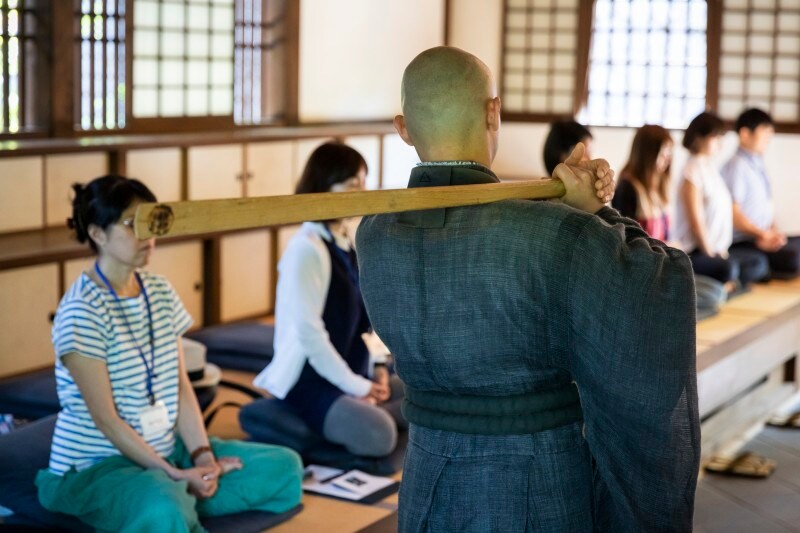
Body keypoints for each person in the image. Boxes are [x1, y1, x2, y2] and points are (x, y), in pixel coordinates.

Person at [357, 46, 699, 531]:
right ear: (493, 112)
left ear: (403, 128)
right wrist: (596, 213)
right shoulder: (550, 232)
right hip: (536, 478)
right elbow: (654, 288)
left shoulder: (373, 233)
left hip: (425, 477)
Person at [37, 175, 302, 533]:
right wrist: (173, 475)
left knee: (284, 466)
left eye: (151, 221)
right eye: (132, 224)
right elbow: (106, 420)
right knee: (163, 504)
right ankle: (175, 501)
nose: (147, 235)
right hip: (100, 466)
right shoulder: (81, 311)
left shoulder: (159, 291)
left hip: (169, 451)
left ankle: (182, 500)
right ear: (98, 234)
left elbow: (181, 388)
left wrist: (203, 458)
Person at [253, 142, 406, 458]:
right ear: (323, 187)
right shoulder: (306, 250)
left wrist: (378, 368)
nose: (362, 191)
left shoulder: (347, 242)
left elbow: (369, 320)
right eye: (352, 184)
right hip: (311, 381)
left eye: (363, 182)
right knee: (380, 434)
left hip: (352, 370)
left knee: (419, 390)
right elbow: (310, 336)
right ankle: (363, 412)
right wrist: (358, 388)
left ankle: (365, 409)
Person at [614, 124, 726, 316]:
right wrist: (667, 246)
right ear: (647, 153)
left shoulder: (657, 187)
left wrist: (672, 246)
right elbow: (628, 244)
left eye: (669, 153)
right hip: (645, 272)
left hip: (664, 266)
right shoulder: (628, 188)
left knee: (717, 292)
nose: (667, 159)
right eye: (663, 153)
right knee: (712, 295)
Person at [673, 111, 769, 289]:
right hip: (697, 251)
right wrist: (710, 253)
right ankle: (724, 284)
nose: (720, 143)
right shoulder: (691, 170)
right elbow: (696, 222)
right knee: (729, 269)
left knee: (757, 263)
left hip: (719, 250)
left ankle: (725, 285)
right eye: (716, 137)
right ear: (699, 138)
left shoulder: (710, 167)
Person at [722, 108, 800, 277]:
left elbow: (767, 205)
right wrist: (763, 235)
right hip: (745, 239)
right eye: (764, 132)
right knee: (793, 258)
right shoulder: (736, 165)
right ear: (745, 134)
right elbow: (734, 213)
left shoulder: (757, 163)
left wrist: (774, 233)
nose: (768, 138)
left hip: (762, 235)